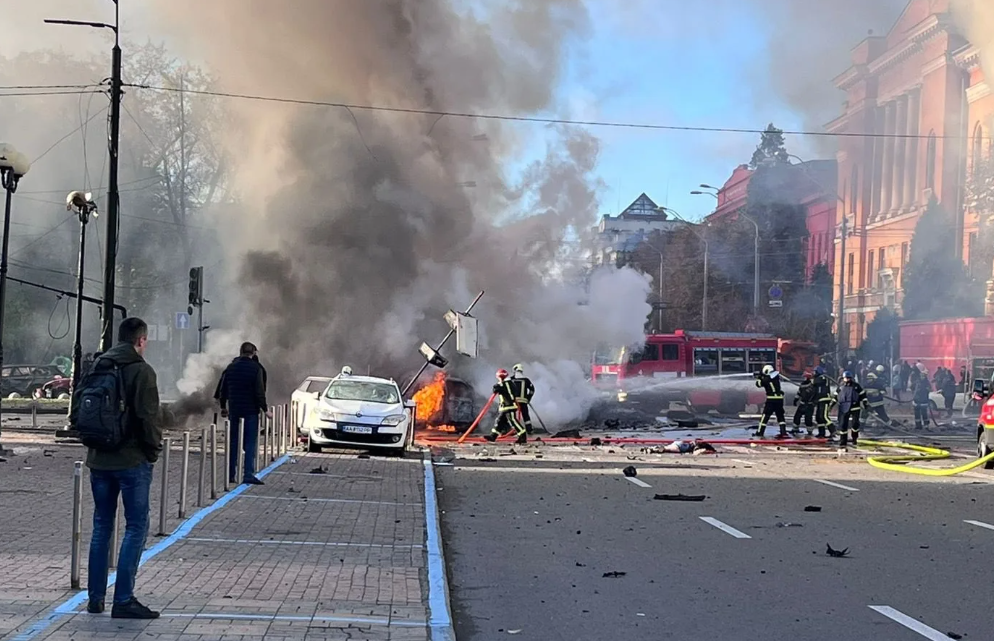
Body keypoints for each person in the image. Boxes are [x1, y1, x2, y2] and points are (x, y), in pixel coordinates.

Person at [71, 317, 161, 619]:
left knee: (102, 526)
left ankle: (95, 598)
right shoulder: (141, 370)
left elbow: (77, 410)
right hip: (131, 461)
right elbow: (148, 419)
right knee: (136, 527)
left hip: (98, 459)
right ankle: (123, 599)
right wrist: (152, 452)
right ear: (141, 340)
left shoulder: (97, 365)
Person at [216, 342, 271, 485]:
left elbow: (223, 389)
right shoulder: (256, 369)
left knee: (233, 442)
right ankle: (247, 473)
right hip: (250, 411)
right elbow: (259, 392)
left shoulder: (231, 367)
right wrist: (265, 410)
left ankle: (231, 474)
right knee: (250, 443)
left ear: (240, 352)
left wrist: (223, 407)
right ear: (253, 353)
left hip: (234, 410)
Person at [484, 369, 527, 445]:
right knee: (499, 421)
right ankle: (493, 436)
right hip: (505, 407)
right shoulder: (508, 383)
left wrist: (498, 384)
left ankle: (522, 436)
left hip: (509, 407)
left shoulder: (506, 384)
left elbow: (495, 389)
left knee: (513, 421)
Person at [835, 371, 867, 450]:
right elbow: (836, 396)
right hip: (844, 407)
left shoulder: (856, 386)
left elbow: (863, 395)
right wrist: (831, 404)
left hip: (855, 407)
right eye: (846, 378)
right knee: (843, 425)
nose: (847, 379)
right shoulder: (841, 386)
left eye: (849, 378)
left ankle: (854, 439)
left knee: (855, 424)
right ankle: (843, 441)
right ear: (843, 378)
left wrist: (865, 404)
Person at [753, 364, 787, 439]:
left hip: (771, 400)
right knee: (780, 416)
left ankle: (760, 432)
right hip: (779, 399)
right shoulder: (776, 377)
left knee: (765, 416)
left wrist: (759, 377)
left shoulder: (766, 379)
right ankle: (783, 432)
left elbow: (758, 384)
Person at [510, 363, 536, 434]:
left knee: (512, 416)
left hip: (513, 401)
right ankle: (529, 430)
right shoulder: (526, 380)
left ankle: (513, 430)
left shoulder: (511, 380)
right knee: (526, 416)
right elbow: (532, 390)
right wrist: (528, 398)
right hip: (523, 401)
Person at [812, 366, 834, 439]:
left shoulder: (823, 377)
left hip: (824, 399)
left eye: (815, 371)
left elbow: (817, 382)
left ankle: (832, 430)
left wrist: (812, 380)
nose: (814, 373)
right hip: (819, 400)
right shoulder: (817, 380)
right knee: (818, 417)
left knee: (824, 416)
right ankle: (821, 433)